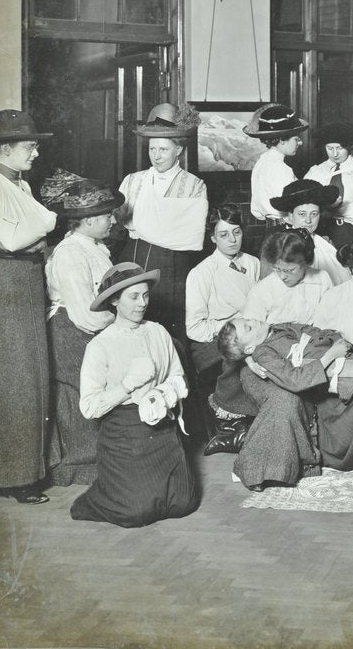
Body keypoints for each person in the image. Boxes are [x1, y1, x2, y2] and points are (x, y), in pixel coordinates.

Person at [0, 110, 57, 504]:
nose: (35, 153)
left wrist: (39, 232)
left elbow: (32, 237)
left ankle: (26, 470)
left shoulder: (20, 185)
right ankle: (9, 476)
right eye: (29, 147)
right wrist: (44, 227)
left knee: (29, 375)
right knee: (10, 379)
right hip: (3, 285)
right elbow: (14, 241)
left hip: (26, 282)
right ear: (4, 149)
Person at [218, 317, 353, 490]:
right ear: (250, 348)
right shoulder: (263, 353)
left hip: (347, 366)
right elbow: (294, 380)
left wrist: (336, 342)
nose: (253, 321)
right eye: (249, 327)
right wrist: (330, 354)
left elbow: (321, 333)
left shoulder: (283, 327)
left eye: (248, 320)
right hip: (329, 393)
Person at [71, 263, 200, 527]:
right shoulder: (100, 345)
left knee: (184, 503)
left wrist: (164, 393)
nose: (142, 303)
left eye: (145, 295)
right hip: (124, 433)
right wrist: (127, 385)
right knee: (136, 513)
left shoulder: (158, 331)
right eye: (133, 297)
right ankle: (94, 500)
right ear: (114, 301)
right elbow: (89, 407)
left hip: (162, 427)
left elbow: (178, 376)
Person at [43, 174, 124, 485]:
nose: (113, 220)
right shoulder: (71, 253)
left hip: (87, 329)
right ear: (88, 220)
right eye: (108, 215)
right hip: (70, 331)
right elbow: (85, 315)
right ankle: (87, 463)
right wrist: (121, 322)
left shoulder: (93, 245)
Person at [116, 102, 207, 337]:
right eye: (152, 149)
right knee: (133, 322)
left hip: (172, 262)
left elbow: (191, 236)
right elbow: (119, 221)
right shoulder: (133, 180)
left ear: (179, 149)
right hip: (133, 256)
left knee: (166, 325)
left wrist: (143, 226)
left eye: (163, 150)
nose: (156, 156)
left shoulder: (194, 186)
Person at [184, 206, 261, 456]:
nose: (232, 240)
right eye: (224, 234)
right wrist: (231, 326)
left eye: (236, 232)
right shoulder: (201, 273)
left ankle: (257, 426)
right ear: (213, 238)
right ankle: (233, 427)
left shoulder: (253, 263)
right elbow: (194, 328)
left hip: (250, 333)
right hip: (213, 342)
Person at [303, 121, 353, 246]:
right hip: (320, 233)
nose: (335, 154)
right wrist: (348, 208)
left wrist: (326, 210)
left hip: (351, 234)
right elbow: (305, 206)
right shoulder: (316, 172)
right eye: (330, 148)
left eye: (339, 148)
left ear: (349, 147)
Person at [268, 179, 350, 285]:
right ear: (291, 216)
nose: (308, 220)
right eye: (302, 214)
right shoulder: (280, 245)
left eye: (314, 214)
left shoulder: (325, 245)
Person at [243, 230, 333, 326]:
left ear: (305, 263)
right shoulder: (260, 292)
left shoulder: (322, 279)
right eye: (277, 269)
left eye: (289, 270)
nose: (282, 277)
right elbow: (250, 332)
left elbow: (331, 318)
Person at [244, 104, 308, 225]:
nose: (300, 143)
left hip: (270, 225)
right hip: (285, 227)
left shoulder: (262, 161)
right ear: (282, 140)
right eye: (296, 139)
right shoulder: (280, 168)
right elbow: (293, 206)